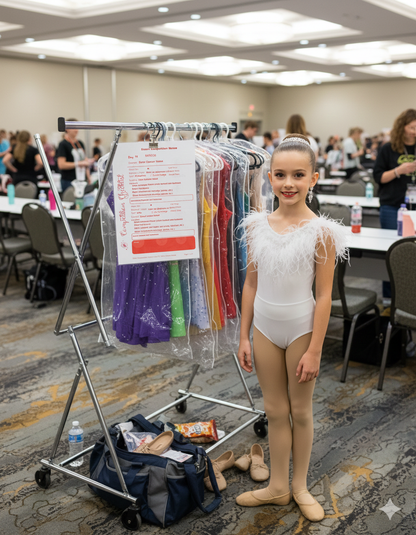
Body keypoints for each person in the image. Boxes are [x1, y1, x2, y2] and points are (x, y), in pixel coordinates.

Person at [235, 134, 348, 522]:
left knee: (300, 410)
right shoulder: (255, 226)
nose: (288, 183)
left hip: (301, 331)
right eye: (280, 174)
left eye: (298, 175)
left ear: (313, 178)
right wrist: (243, 335)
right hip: (265, 329)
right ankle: (278, 488)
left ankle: (299, 484)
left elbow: (323, 296)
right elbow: (250, 284)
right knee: (274, 409)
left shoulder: (321, 232)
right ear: (269, 176)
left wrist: (316, 348)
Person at [374, 108, 416, 299]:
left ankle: (409, 300)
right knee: (393, 253)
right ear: (402, 127)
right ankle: (390, 299)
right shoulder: (388, 149)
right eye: (412, 127)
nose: (415, 131)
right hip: (392, 206)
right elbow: (379, 177)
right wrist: (399, 170)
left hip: (414, 206)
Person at [56, 118, 90, 192]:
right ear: (67, 129)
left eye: (77, 128)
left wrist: (89, 178)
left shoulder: (80, 143)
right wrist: (79, 164)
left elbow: (85, 161)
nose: (76, 130)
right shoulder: (63, 144)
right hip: (69, 181)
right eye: (74, 128)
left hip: (82, 180)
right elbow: (61, 165)